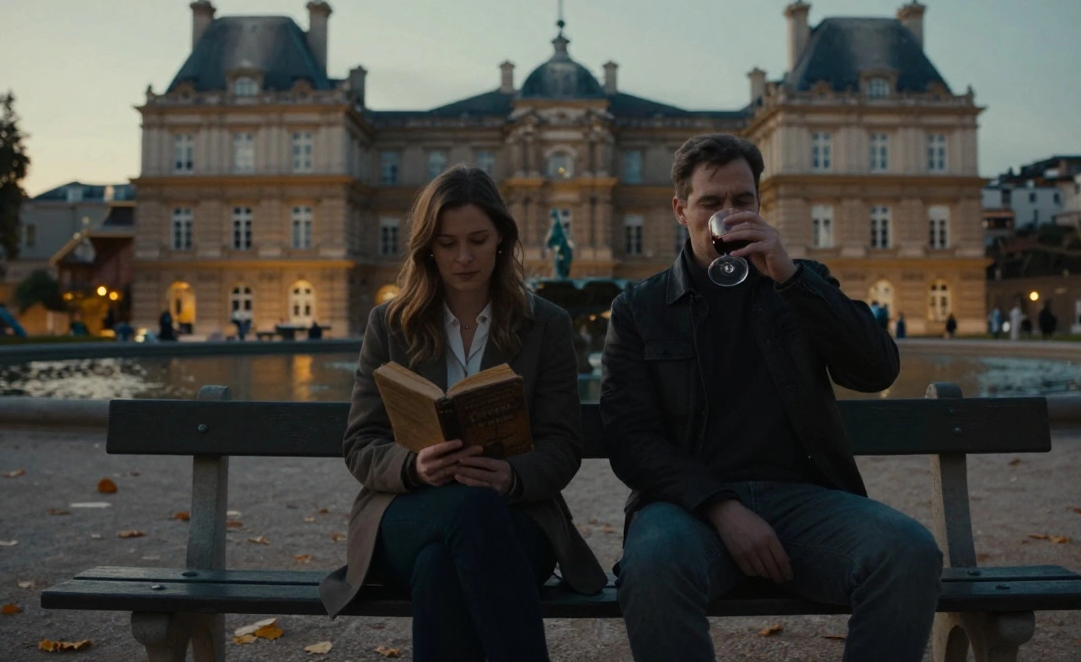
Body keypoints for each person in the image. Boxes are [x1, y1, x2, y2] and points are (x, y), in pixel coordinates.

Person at [601, 134, 940, 662]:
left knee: (908, 551)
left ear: (761, 204)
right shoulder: (640, 309)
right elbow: (629, 436)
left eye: (743, 201)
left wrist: (789, 275)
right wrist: (721, 507)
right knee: (653, 566)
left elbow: (877, 370)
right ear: (680, 209)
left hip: (802, 501)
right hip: (689, 508)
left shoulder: (800, 283)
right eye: (712, 203)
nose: (730, 215)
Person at [318, 165, 605, 661]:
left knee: (441, 567)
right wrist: (414, 466)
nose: (464, 257)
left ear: (502, 239)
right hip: (409, 512)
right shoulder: (390, 324)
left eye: (478, 239)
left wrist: (510, 477)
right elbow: (361, 444)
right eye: (448, 243)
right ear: (428, 246)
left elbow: (562, 446)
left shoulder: (547, 325)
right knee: (466, 515)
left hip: (516, 516)